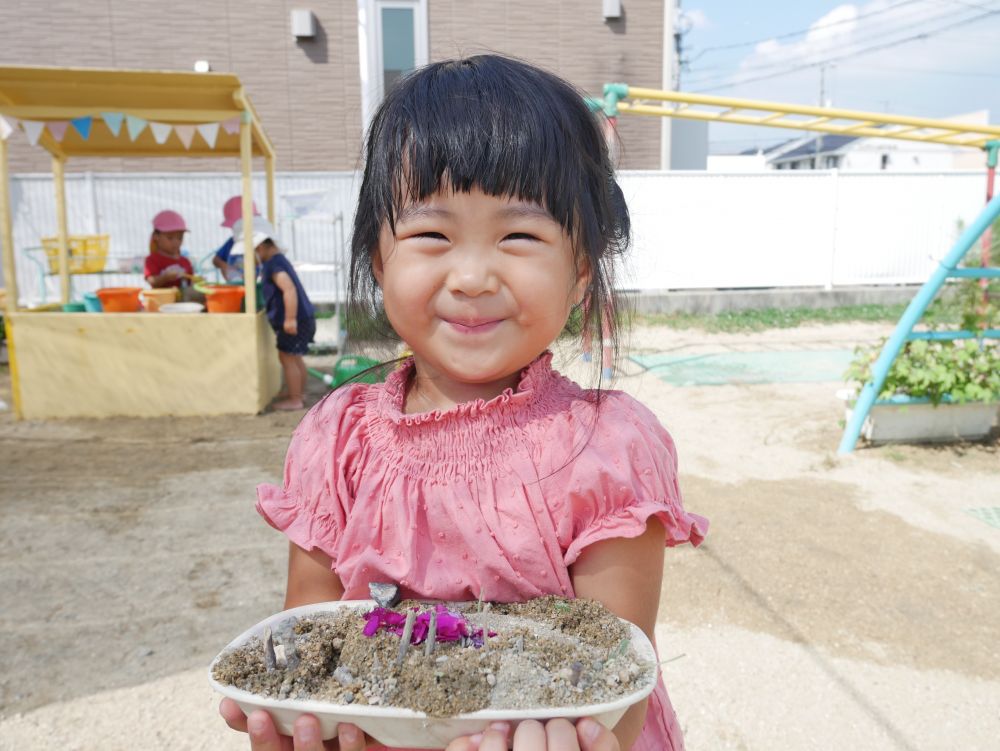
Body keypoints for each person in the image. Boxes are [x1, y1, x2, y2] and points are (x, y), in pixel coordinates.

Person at [220, 55, 708, 751]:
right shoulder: (338, 440)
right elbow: (312, 649)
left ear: (578, 272)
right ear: (380, 260)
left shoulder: (608, 448)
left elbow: (617, 682)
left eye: (518, 235)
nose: (473, 276)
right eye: (431, 234)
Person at [233, 217, 316, 411]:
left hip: (295, 319)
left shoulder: (273, 265)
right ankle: (298, 393)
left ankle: (296, 399)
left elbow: (288, 290)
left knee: (287, 358)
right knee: (294, 357)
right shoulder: (279, 260)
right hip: (304, 318)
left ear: (260, 247)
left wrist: (289, 318)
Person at [213, 195, 260, 282]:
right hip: (234, 286)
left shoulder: (258, 243)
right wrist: (225, 266)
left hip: (253, 286)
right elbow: (215, 260)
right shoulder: (231, 242)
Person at [144, 210, 195, 289]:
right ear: (156, 237)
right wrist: (165, 277)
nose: (176, 242)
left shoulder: (185, 261)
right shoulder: (152, 260)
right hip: (161, 300)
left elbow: (191, 283)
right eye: (170, 238)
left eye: (180, 238)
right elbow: (152, 281)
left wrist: (196, 281)